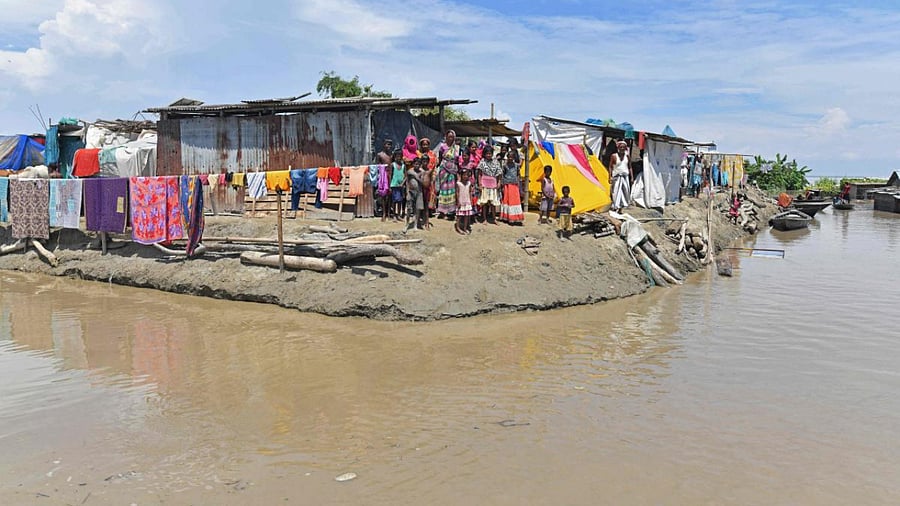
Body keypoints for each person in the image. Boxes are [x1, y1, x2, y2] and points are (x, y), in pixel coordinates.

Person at [436, 130, 460, 218]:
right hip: (444, 170)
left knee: (451, 190)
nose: (451, 138)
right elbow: (440, 157)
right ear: (446, 137)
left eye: (452, 137)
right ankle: (442, 211)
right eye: (449, 136)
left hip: (453, 170)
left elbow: (458, 161)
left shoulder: (457, 147)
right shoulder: (442, 146)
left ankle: (451, 211)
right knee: (443, 189)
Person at [477, 144, 502, 224]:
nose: (488, 155)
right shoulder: (482, 162)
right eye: (487, 153)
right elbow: (480, 174)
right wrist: (480, 184)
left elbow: (499, 174)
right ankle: (484, 219)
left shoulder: (496, 162)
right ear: (484, 154)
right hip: (484, 184)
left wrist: (499, 183)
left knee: (493, 203)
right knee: (484, 203)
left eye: (490, 153)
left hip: (493, 185)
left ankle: (494, 218)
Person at [499, 150, 524, 224]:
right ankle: (507, 217)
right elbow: (502, 176)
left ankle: (515, 217)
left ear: (513, 158)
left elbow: (518, 175)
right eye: (509, 157)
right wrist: (502, 185)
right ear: (507, 157)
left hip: (514, 185)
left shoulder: (516, 165)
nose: (510, 158)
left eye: (511, 157)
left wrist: (519, 185)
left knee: (515, 201)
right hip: (507, 185)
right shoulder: (504, 166)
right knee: (507, 200)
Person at [609, 140, 632, 212]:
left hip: (625, 176)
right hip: (616, 176)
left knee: (624, 192)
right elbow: (610, 167)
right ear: (618, 147)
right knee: (615, 192)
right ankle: (615, 206)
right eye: (620, 147)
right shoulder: (614, 156)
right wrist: (610, 177)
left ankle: (620, 208)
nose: (622, 148)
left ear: (625, 148)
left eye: (623, 147)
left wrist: (632, 177)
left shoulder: (627, 156)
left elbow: (630, 167)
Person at [406, 157, 427, 229]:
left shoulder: (422, 172)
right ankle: (407, 224)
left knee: (418, 209)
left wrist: (417, 178)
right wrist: (407, 191)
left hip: (419, 192)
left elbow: (423, 182)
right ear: (413, 164)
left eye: (418, 164)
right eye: (415, 164)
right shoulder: (410, 171)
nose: (416, 166)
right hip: (411, 191)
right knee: (409, 209)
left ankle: (415, 225)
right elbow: (407, 181)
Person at [455, 169, 474, 234]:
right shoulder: (458, 183)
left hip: (467, 201)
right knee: (459, 216)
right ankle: (458, 227)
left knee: (466, 216)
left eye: (467, 175)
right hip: (461, 201)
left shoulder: (469, 183)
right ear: (461, 175)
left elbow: (470, 192)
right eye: (464, 175)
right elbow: (457, 192)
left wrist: (471, 200)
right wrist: (458, 201)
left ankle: (465, 227)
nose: (465, 176)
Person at [389, 149, 406, 220]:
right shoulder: (392, 165)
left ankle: (398, 215)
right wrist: (390, 185)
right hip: (394, 185)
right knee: (394, 201)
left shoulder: (403, 165)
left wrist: (402, 183)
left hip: (401, 186)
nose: (398, 157)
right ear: (395, 156)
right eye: (397, 156)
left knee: (400, 201)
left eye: (400, 156)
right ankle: (394, 215)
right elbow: (390, 175)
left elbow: (406, 176)